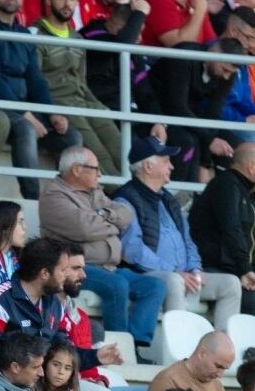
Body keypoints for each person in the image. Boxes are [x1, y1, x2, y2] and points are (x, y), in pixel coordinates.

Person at [38, 146, 167, 347]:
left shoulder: (94, 192)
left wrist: (103, 216)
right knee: (117, 286)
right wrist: (113, 224)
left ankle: (136, 344)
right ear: (76, 169)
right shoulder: (53, 196)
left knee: (154, 286)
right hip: (76, 268)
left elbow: (126, 215)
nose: (100, 173)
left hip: (109, 267)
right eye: (95, 168)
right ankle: (119, 346)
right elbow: (84, 229)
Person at [0, 0, 81, 199]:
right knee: (26, 128)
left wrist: (51, 113)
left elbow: (36, 80)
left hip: (20, 107)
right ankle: (32, 198)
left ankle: (70, 197)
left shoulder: (23, 34)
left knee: (71, 137)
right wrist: (26, 113)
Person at [115, 136, 244, 328]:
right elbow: (133, 250)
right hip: (147, 274)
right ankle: (181, 347)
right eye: (166, 161)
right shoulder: (125, 200)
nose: (172, 167)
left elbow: (188, 241)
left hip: (184, 274)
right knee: (174, 281)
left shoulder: (169, 199)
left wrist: (195, 269)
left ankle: (223, 349)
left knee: (231, 284)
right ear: (148, 167)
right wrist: (176, 272)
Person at [0, 238, 117, 369]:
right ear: (45, 274)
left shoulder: (55, 304)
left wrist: (96, 356)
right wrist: (26, 369)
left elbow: (62, 354)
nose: (66, 275)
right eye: (63, 270)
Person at [33, 0, 123, 176]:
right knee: (99, 156)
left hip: (84, 102)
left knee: (122, 150)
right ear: (49, 0)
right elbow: (34, 81)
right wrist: (49, 111)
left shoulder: (77, 38)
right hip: (60, 104)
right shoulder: (36, 34)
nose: (67, 4)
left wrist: (99, 105)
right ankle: (118, 197)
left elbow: (81, 82)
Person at [148, 39, 244, 181]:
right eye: (224, 70)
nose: (226, 76)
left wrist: (205, 162)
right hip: (158, 111)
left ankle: (226, 197)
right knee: (189, 141)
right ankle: (181, 196)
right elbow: (177, 106)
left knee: (235, 146)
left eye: (230, 73)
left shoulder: (228, 72)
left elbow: (213, 113)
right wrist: (209, 140)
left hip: (189, 116)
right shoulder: (186, 56)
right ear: (213, 53)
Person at [190, 143, 255, 314]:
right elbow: (231, 229)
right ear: (252, 166)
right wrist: (245, 269)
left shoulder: (244, 191)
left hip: (233, 269)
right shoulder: (226, 185)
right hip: (215, 269)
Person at [147, 331, 236, 391]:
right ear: (202, 354)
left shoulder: (217, 385)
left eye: (224, 369)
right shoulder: (168, 380)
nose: (220, 375)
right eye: (218, 366)